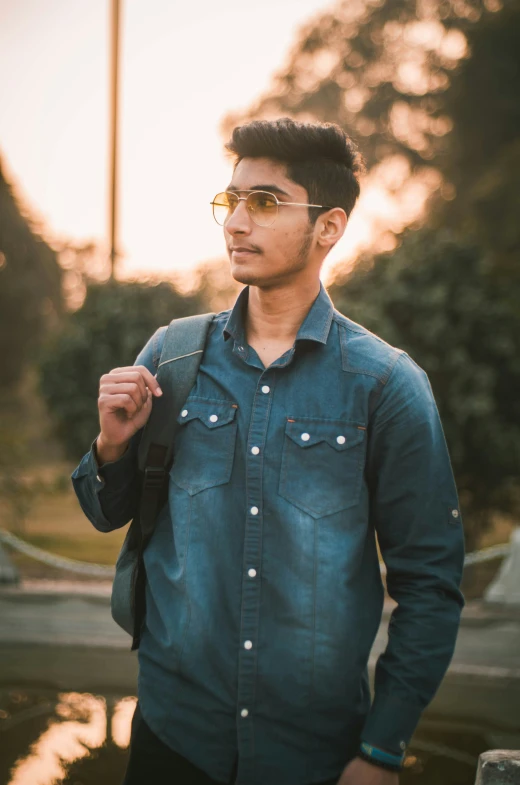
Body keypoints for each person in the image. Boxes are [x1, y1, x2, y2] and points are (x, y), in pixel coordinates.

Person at [72, 117, 465, 785]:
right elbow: (107, 513)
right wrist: (111, 444)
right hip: (173, 738)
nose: (235, 222)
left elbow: (429, 583)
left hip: (313, 755)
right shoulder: (172, 356)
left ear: (329, 227)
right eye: (231, 201)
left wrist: (381, 749)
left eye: (265, 202)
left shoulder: (386, 385)